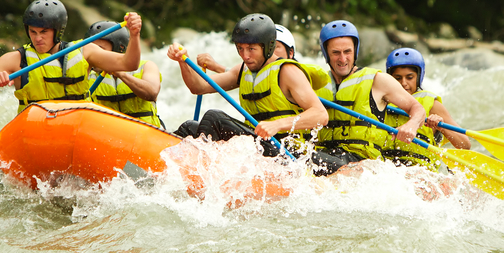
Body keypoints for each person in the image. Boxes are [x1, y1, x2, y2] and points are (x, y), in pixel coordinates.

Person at [166, 13, 328, 157]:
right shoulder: (243, 70)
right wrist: (183, 61)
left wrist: (277, 125)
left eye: (251, 49)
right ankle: (164, 159)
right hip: (257, 143)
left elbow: (321, 115)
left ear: (268, 47)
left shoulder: (287, 71)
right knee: (189, 127)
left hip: (287, 151)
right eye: (240, 49)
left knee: (214, 118)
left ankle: (201, 166)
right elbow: (198, 87)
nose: (245, 55)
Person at [0, 0, 143, 112]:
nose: (38, 38)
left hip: (78, 123)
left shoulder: (84, 51)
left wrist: (134, 35)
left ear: (57, 31)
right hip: (36, 128)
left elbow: (129, 64)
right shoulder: (15, 59)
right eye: (32, 32)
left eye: (44, 32)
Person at [314, 20, 426, 172]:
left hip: (361, 161)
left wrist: (411, 125)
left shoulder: (378, 81)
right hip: (324, 155)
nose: (342, 59)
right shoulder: (316, 83)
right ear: (326, 53)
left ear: (355, 51)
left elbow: (417, 108)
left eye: (347, 52)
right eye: (335, 53)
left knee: (312, 161)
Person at [382, 47, 472, 169]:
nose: (403, 83)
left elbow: (464, 144)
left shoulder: (431, 104)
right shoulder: (382, 101)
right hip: (386, 167)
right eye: (398, 78)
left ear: (418, 77)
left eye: (409, 77)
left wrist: (440, 126)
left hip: (420, 169)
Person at [86, 20, 164, 129]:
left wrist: (121, 74)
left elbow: (151, 93)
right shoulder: (88, 74)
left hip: (146, 133)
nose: (94, 54)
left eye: (100, 49)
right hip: (109, 135)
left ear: (119, 49)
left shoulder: (146, 66)